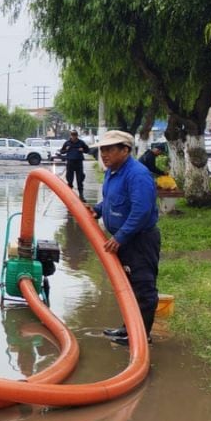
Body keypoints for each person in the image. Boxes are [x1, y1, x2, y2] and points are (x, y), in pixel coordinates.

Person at [89, 130, 161, 345]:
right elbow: (113, 199)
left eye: (109, 149)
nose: (104, 154)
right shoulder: (113, 172)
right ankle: (128, 328)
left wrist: (121, 236)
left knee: (142, 287)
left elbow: (141, 210)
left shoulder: (137, 175)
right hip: (124, 240)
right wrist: (97, 210)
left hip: (139, 240)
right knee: (127, 287)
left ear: (125, 150)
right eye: (102, 149)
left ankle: (141, 336)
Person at [60, 130, 91, 201]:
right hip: (70, 163)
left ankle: (81, 196)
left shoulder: (81, 142)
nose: (74, 136)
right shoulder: (67, 143)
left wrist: (82, 150)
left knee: (80, 180)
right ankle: (69, 196)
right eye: (72, 135)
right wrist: (66, 150)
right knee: (69, 180)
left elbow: (87, 150)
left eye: (75, 135)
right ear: (71, 135)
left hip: (78, 162)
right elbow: (61, 151)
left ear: (77, 135)